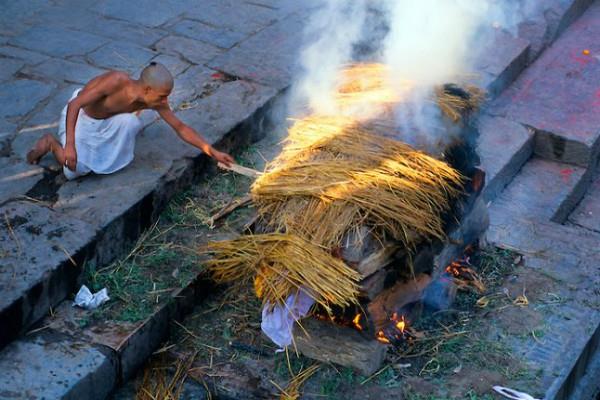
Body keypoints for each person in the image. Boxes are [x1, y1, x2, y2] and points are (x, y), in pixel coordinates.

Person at [26, 62, 234, 179]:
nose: (166, 101)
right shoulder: (116, 81)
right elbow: (75, 105)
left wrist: (212, 151)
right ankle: (51, 144)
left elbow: (180, 127)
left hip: (108, 121)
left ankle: (99, 149)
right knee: (72, 169)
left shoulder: (154, 100)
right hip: (82, 117)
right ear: (146, 89)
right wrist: (69, 145)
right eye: (162, 96)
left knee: (131, 122)